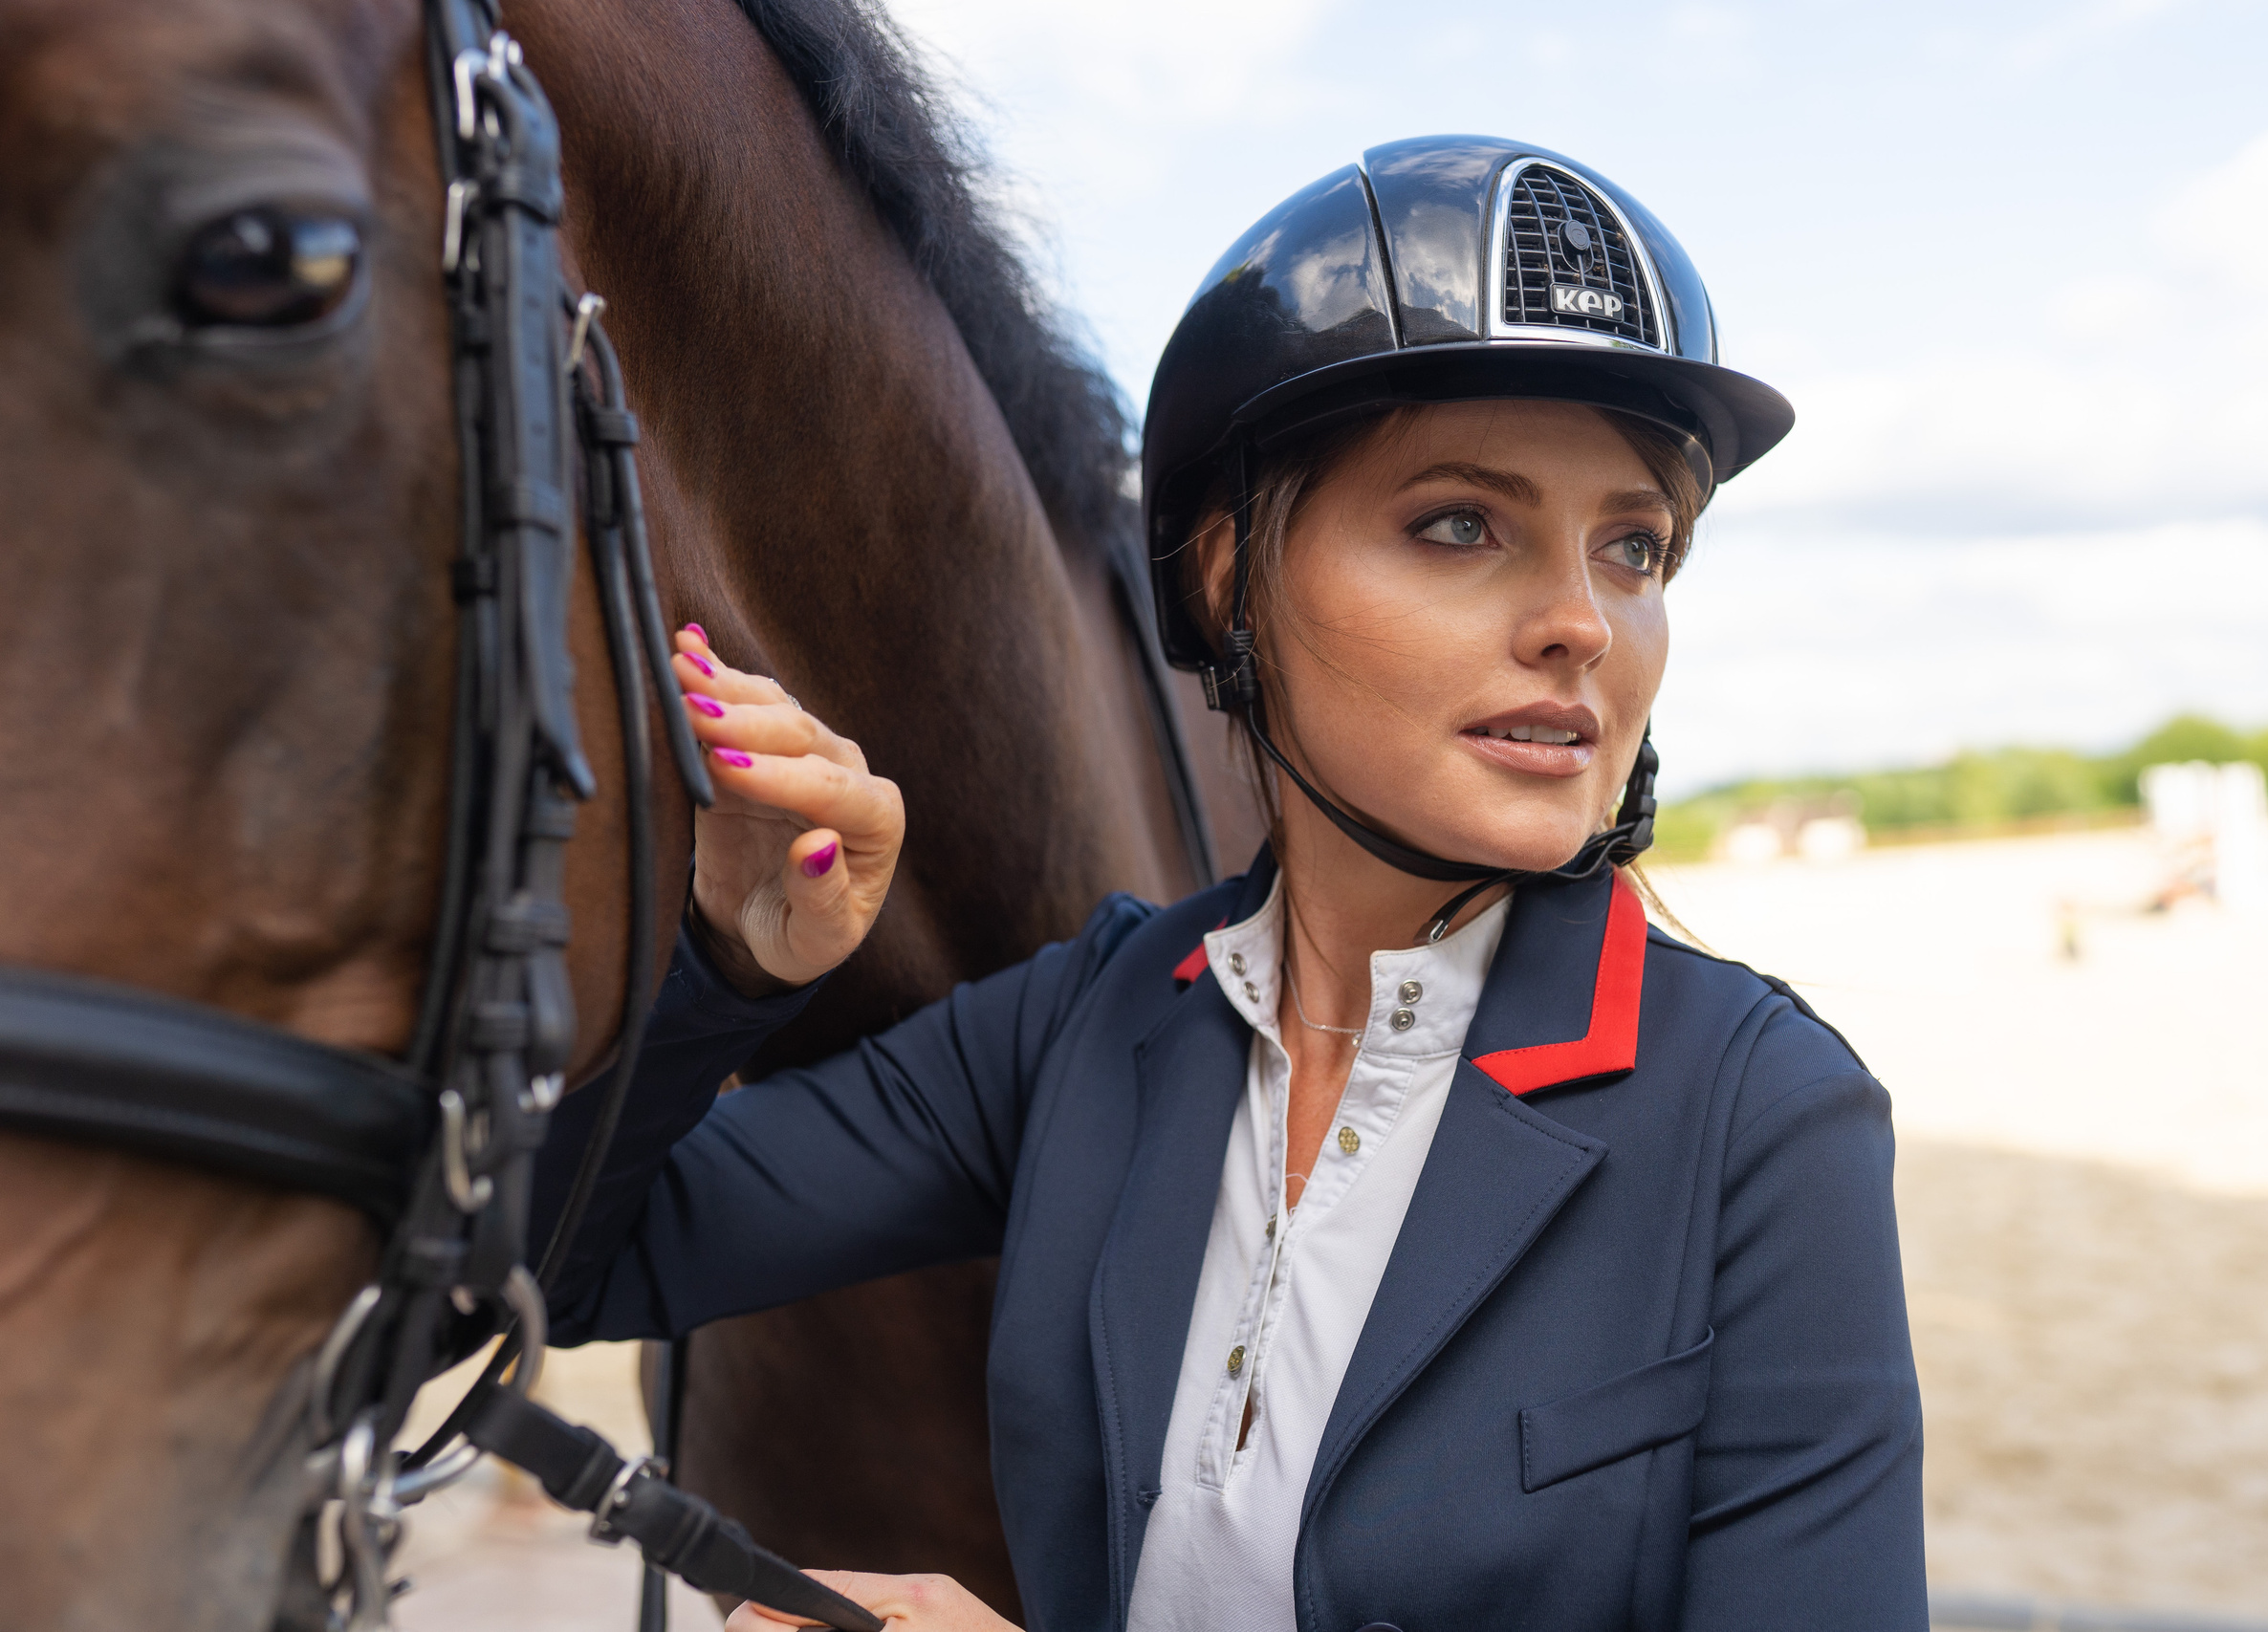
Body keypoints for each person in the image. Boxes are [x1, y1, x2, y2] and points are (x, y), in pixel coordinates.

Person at [536, 136, 1924, 1632]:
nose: (1582, 623)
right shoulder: (1088, 1021)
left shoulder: (1769, 1118)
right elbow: (559, 1269)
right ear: (1221, 578)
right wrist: (736, 966)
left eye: (1636, 546)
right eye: (1461, 523)